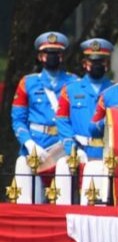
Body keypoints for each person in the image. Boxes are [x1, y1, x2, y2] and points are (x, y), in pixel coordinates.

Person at [11, 31, 77, 200]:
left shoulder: (75, 83)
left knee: (64, 200)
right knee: (29, 198)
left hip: (63, 146)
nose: (51, 57)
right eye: (47, 53)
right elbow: (18, 119)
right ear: (40, 56)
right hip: (36, 145)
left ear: (61, 56)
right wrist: (29, 143)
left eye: (55, 54)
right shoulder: (28, 82)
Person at [56, 38, 114, 163]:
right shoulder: (70, 89)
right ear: (84, 63)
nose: (96, 65)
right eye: (92, 61)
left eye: (101, 61)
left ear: (107, 64)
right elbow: (62, 121)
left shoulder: (116, 90)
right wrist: (72, 148)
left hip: (109, 153)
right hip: (81, 152)